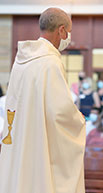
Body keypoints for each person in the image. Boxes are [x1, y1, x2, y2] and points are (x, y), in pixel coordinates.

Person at [0, 8, 86, 193]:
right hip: (38, 143)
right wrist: (78, 119)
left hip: (20, 138)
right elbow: (60, 113)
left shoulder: (20, 61)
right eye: (68, 32)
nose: (68, 37)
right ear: (61, 30)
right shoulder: (50, 62)